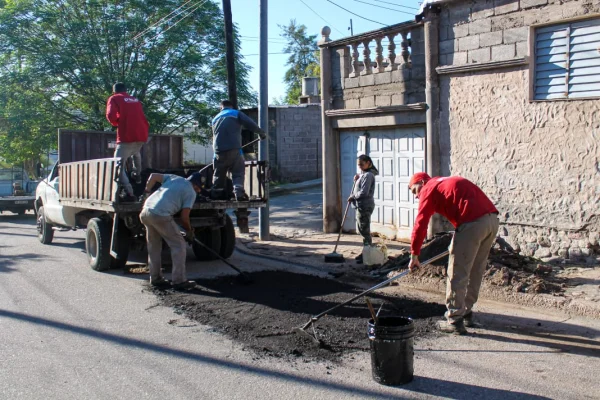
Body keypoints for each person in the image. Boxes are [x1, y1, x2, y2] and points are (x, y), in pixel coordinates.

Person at [407, 172, 499, 334]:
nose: (416, 197)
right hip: (491, 220)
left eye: (414, 191)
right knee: (475, 269)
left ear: (421, 182)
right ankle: (467, 312)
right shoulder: (443, 183)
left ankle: (454, 319)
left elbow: (420, 224)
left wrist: (414, 254)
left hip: (472, 222)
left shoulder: (428, 188)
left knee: (457, 270)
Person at [139, 172, 204, 290]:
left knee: (154, 246)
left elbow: (152, 176)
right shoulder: (191, 192)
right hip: (160, 214)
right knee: (179, 245)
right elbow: (184, 217)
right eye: (199, 189)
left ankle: (155, 279)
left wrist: (147, 191)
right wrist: (189, 232)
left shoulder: (175, 178)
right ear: (196, 185)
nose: (199, 192)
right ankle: (179, 281)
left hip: (145, 210)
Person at [211, 100, 266, 201]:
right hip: (234, 149)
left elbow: (214, 137)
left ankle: (216, 194)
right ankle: (238, 193)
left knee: (219, 174)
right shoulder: (236, 113)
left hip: (218, 151)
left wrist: (215, 155)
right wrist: (261, 133)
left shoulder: (214, 119)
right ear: (231, 106)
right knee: (238, 171)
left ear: (221, 108)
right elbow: (251, 124)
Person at [106, 82, 149, 201]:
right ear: (125, 90)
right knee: (135, 152)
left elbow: (111, 115)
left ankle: (130, 193)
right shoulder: (135, 99)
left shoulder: (114, 98)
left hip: (126, 135)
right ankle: (137, 174)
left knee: (117, 164)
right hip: (142, 133)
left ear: (114, 91)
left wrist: (116, 122)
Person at [347, 154, 379, 264]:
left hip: (364, 206)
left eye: (362, 164)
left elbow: (364, 192)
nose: (360, 166)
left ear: (368, 163)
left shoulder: (368, 175)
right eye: (358, 165)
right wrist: (357, 179)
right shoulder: (364, 174)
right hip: (361, 206)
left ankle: (367, 254)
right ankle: (366, 252)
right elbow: (360, 187)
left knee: (364, 230)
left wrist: (353, 196)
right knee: (362, 229)